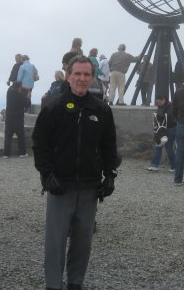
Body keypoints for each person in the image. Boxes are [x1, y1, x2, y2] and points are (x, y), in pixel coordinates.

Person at [32, 56, 119, 290]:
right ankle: (53, 285)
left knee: (83, 241)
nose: (82, 79)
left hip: (90, 187)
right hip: (60, 186)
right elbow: (40, 145)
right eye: (77, 74)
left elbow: (109, 145)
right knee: (56, 241)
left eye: (86, 74)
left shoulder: (101, 109)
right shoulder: (54, 107)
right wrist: (47, 174)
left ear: (92, 77)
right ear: (69, 76)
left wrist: (110, 174)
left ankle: (75, 283)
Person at [147, 94, 176, 172]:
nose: (158, 104)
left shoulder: (170, 106)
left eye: (159, 102)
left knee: (168, 147)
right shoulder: (161, 106)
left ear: (164, 100)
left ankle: (175, 166)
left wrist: (157, 115)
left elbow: (168, 116)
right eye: (157, 102)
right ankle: (154, 165)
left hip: (171, 128)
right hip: (162, 129)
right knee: (158, 145)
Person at [3, 81, 29, 158]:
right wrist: (28, 95)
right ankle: (22, 153)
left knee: (8, 137)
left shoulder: (9, 92)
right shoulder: (19, 96)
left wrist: (21, 87)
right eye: (21, 87)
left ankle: (6, 154)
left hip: (9, 118)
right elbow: (27, 104)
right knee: (21, 136)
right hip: (18, 119)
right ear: (19, 87)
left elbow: (13, 87)